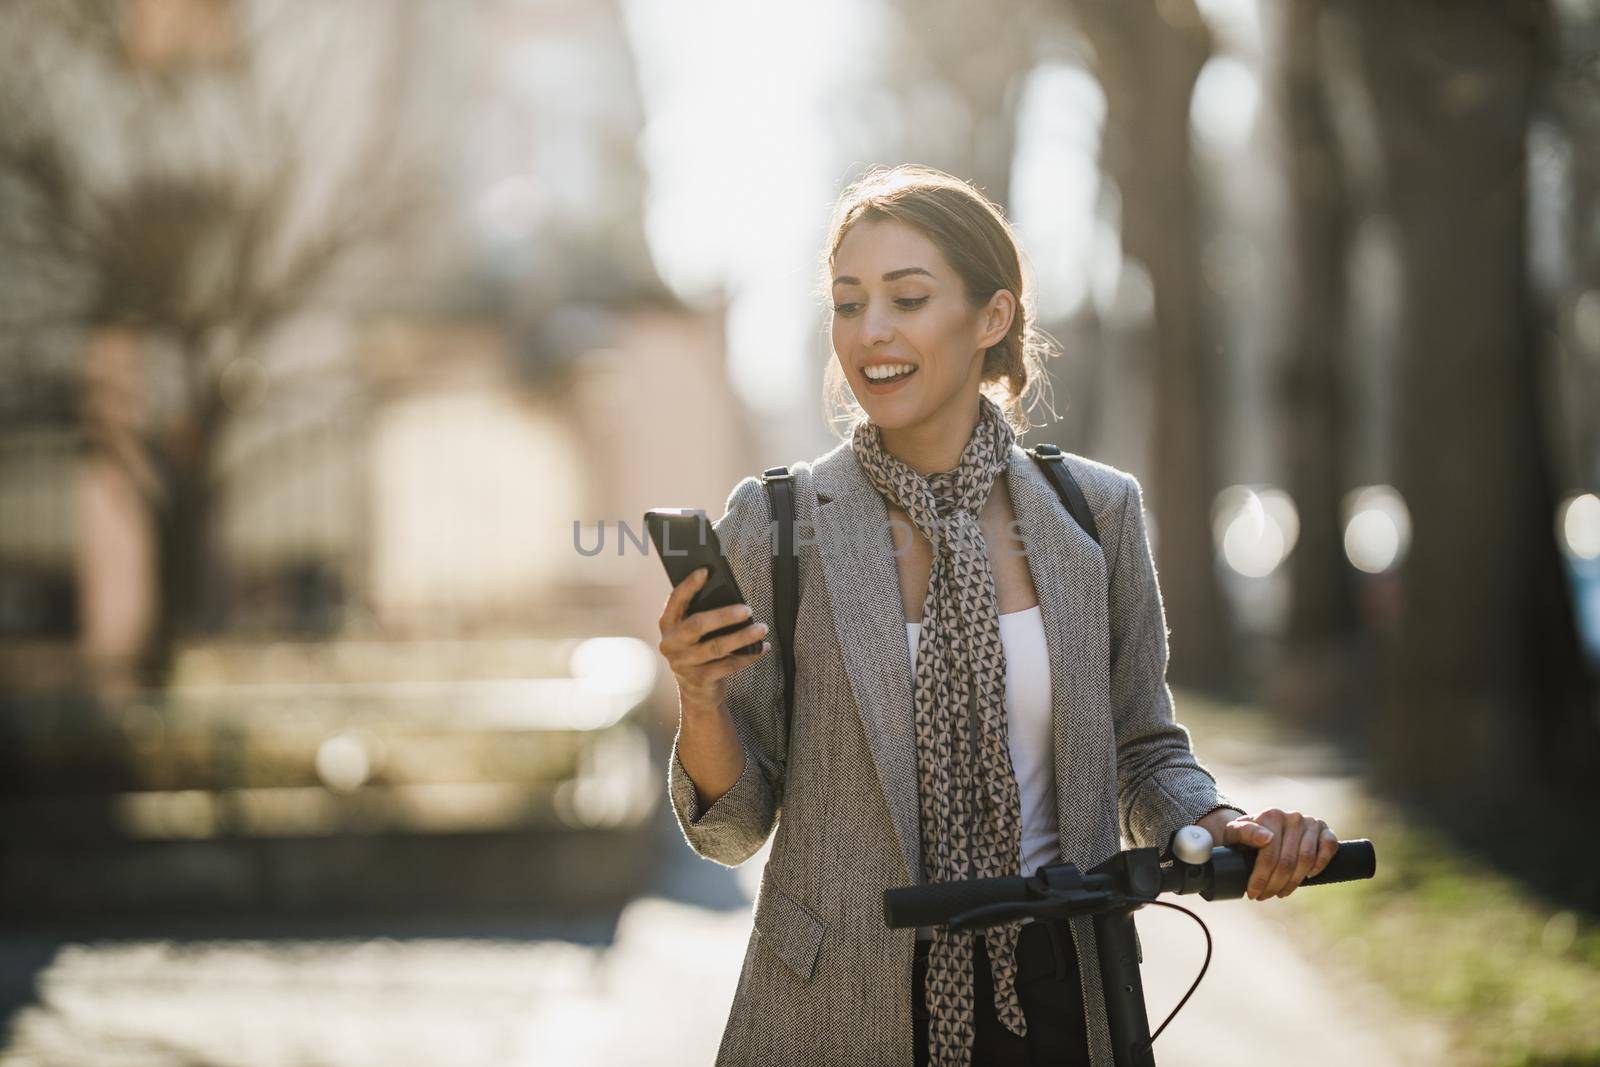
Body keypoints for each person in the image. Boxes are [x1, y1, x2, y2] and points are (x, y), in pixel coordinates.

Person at [658, 163, 1339, 1067]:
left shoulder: (1095, 512)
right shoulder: (778, 525)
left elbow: (1143, 748)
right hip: (839, 1005)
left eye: (907, 297)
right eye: (849, 303)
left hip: (1063, 989)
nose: (873, 333)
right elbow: (732, 826)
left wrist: (1217, 824)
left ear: (992, 317)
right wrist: (701, 700)